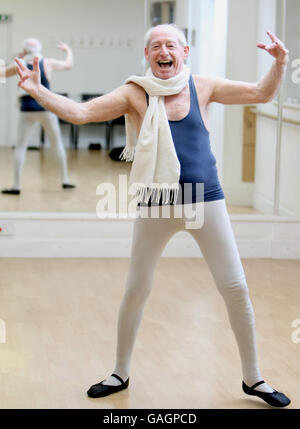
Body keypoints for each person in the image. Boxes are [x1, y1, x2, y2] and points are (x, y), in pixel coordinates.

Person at [14, 24, 291, 407]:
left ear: (185, 51)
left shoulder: (204, 86)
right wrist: (36, 88)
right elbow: (80, 113)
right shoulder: (135, 92)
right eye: (156, 45)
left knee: (236, 288)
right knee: (136, 289)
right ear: (147, 55)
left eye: (171, 45)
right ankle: (120, 372)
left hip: (204, 200)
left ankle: (253, 379)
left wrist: (280, 62)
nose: (164, 51)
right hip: (156, 203)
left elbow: (261, 92)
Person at [2, 37, 75, 195]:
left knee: (20, 147)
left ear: (25, 49)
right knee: (57, 145)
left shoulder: (18, 64)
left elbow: (1, 74)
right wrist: (68, 50)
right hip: (47, 109)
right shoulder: (46, 62)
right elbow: (68, 64)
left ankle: (16, 186)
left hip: (26, 109)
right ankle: (65, 180)